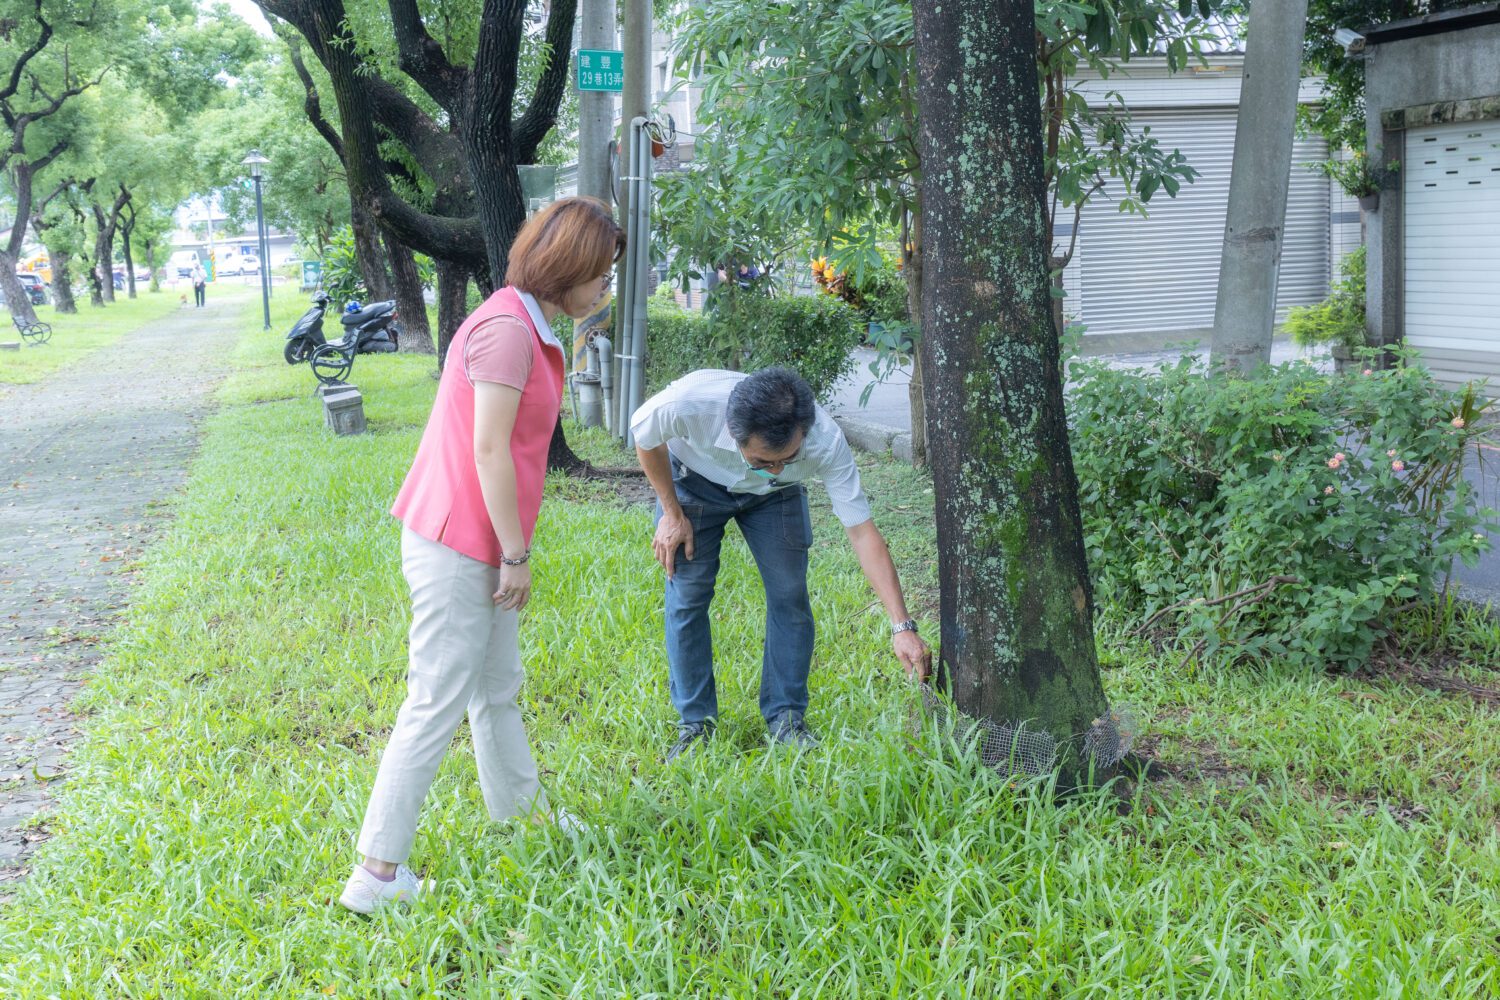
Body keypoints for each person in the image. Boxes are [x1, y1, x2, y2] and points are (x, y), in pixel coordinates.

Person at [339, 197, 624, 914]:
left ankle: (520, 816)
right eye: (601, 274)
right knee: (435, 699)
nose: (604, 289)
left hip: (479, 543)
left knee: (496, 688)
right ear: (568, 267)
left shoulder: (523, 322)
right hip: (459, 543)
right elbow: (489, 447)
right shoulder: (506, 332)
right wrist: (516, 553)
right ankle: (376, 875)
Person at [631, 367, 932, 761]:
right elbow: (644, 437)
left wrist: (902, 626)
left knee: (790, 594)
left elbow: (863, 534)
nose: (774, 465)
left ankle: (786, 717)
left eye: (786, 458)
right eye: (762, 460)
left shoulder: (824, 441)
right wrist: (672, 512)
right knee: (688, 595)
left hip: (775, 498)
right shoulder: (688, 405)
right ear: (734, 435)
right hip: (694, 483)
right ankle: (695, 724)